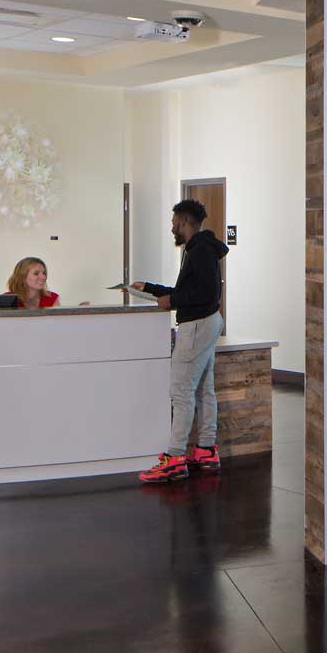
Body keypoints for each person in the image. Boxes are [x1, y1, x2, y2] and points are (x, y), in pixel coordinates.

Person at [131, 198, 229, 484]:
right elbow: (193, 289)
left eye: (174, 222)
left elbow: (206, 294)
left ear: (184, 222)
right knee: (203, 389)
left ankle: (174, 458)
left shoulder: (199, 251)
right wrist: (151, 288)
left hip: (197, 324)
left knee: (181, 391)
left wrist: (171, 300)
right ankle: (206, 449)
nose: (172, 227)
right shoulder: (201, 249)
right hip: (207, 322)